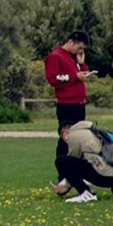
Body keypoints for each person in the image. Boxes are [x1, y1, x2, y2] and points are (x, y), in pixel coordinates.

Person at [45, 32, 93, 193]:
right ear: (71, 42)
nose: (79, 51)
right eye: (78, 48)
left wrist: (82, 64)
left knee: (80, 140)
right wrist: (75, 76)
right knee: (66, 140)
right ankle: (63, 178)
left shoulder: (74, 57)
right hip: (67, 104)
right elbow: (53, 79)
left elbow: (79, 75)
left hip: (80, 104)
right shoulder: (56, 56)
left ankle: (76, 174)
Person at [56, 119, 113, 202]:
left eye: (63, 134)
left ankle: (86, 193)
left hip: (105, 176)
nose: (65, 138)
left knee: (62, 161)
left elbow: (71, 167)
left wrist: (65, 186)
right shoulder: (95, 132)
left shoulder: (74, 135)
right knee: (101, 160)